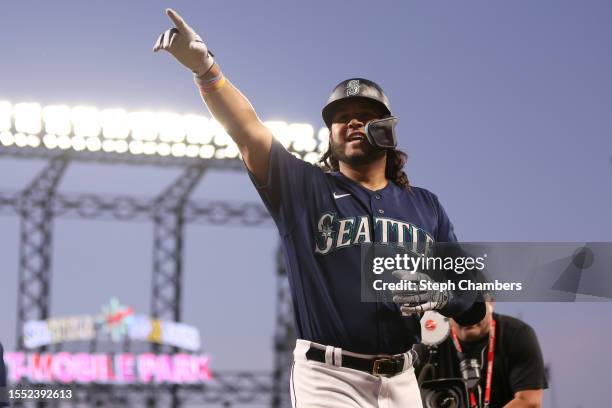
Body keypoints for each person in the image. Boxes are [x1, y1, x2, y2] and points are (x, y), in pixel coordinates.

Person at [153, 9, 485, 407]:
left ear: (388, 130)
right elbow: (248, 132)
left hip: (403, 380)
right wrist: (207, 71)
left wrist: (444, 295)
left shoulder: (425, 206)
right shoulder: (304, 189)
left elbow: (475, 304)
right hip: (330, 378)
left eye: (364, 115)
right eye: (341, 118)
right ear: (330, 135)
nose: (352, 123)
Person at [415, 301, 548, 408]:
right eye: (460, 308)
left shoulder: (517, 334)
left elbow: (530, 402)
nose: (468, 317)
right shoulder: (429, 342)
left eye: (474, 308)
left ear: (491, 303)